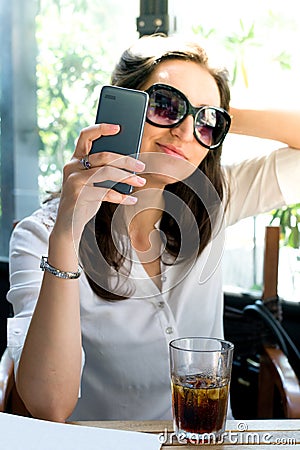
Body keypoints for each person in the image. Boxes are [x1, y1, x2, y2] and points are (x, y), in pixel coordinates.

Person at [7, 33, 300, 423]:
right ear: (125, 107)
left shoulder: (216, 199)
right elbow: (49, 405)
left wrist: (209, 110)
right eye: (165, 105)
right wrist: (66, 235)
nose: (184, 132)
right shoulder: (40, 235)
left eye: (206, 124)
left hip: (208, 441)